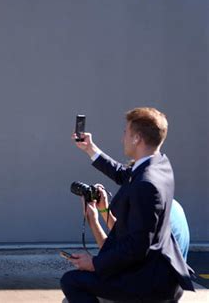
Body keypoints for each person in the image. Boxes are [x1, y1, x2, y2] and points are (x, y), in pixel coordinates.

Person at [61, 107, 195, 302]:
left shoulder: (147, 185)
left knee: (71, 281)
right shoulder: (159, 164)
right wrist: (90, 149)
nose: (123, 138)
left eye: (126, 132)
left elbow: (137, 246)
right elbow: (124, 175)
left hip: (149, 281)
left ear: (137, 138)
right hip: (155, 269)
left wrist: (95, 263)